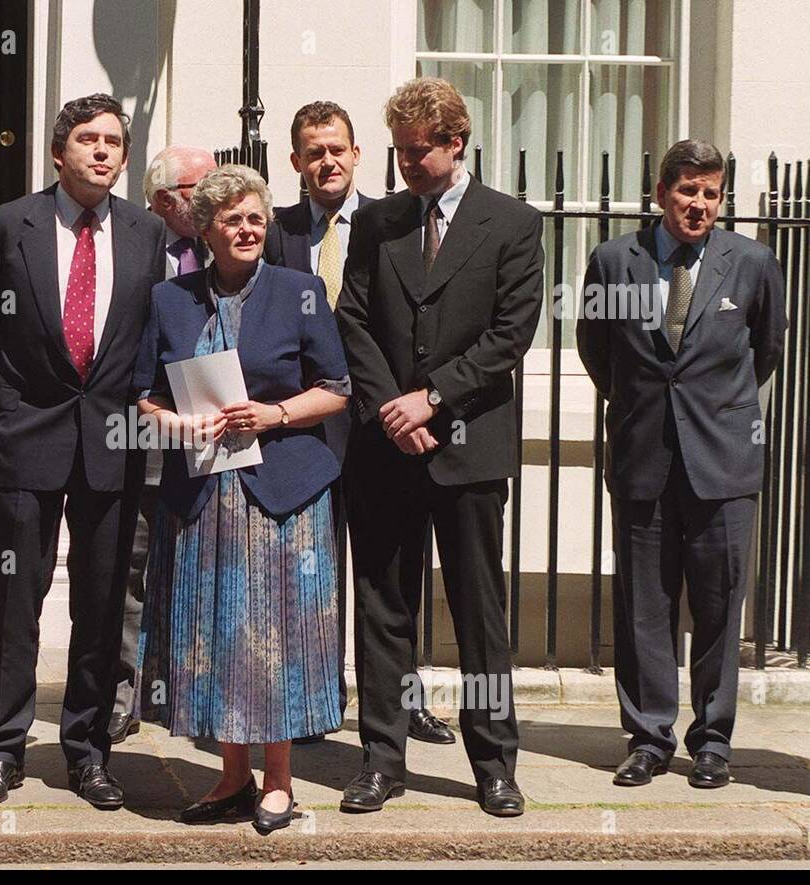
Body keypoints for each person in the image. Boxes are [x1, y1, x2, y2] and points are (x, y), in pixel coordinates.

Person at [334, 78, 543, 817]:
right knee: (383, 605)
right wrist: (394, 408)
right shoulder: (379, 221)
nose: (404, 166)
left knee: (479, 612)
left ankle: (493, 762)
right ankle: (381, 760)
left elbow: (510, 336)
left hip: (469, 447)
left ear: (457, 143)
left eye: (418, 152)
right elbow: (351, 318)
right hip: (385, 448)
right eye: (397, 152)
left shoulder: (512, 224)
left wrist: (431, 398)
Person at [0, 94, 166, 809]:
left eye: (113, 141)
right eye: (88, 139)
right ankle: (4, 750)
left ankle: (87, 751)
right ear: (59, 152)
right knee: (18, 599)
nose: (102, 151)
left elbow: (150, 340)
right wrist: (0, 416)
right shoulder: (5, 225)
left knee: (104, 606)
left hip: (113, 443)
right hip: (26, 439)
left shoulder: (147, 232)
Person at [134, 164, 350, 835]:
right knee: (215, 634)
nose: (249, 229)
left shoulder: (300, 292)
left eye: (256, 217)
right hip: (201, 493)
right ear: (205, 231)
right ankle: (232, 777)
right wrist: (177, 425)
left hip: (282, 494)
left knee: (273, 636)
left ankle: (280, 781)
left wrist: (275, 415)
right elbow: (145, 395)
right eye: (233, 220)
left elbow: (337, 388)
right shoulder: (172, 299)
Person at [576, 139, 787, 790]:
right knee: (644, 605)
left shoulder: (753, 262)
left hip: (723, 462)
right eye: (688, 190)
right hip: (644, 456)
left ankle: (714, 741)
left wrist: (714, 412)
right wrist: (646, 408)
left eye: (711, 193)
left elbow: (767, 349)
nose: (700, 204)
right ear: (661, 192)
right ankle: (647, 738)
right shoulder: (615, 261)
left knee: (721, 606)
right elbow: (596, 350)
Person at [265, 100, 454, 749]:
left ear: (356, 154)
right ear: (296, 162)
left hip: (380, 424)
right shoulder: (272, 231)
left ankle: (404, 701)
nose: (327, 161)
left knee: (393, 576)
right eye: (313, 151)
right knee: (309, 574)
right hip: (303, 430)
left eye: (337, 149)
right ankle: (315, 701)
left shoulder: (390, 222)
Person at [108, 144, 216, 745]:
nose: (211, 198)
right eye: (197, 188)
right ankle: (126, 693)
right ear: (162, 200)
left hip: (220, 435)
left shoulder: (232, 243)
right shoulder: (139, 246)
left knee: (204, 566)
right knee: (133, 568)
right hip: (147, 433)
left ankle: (190, 690)